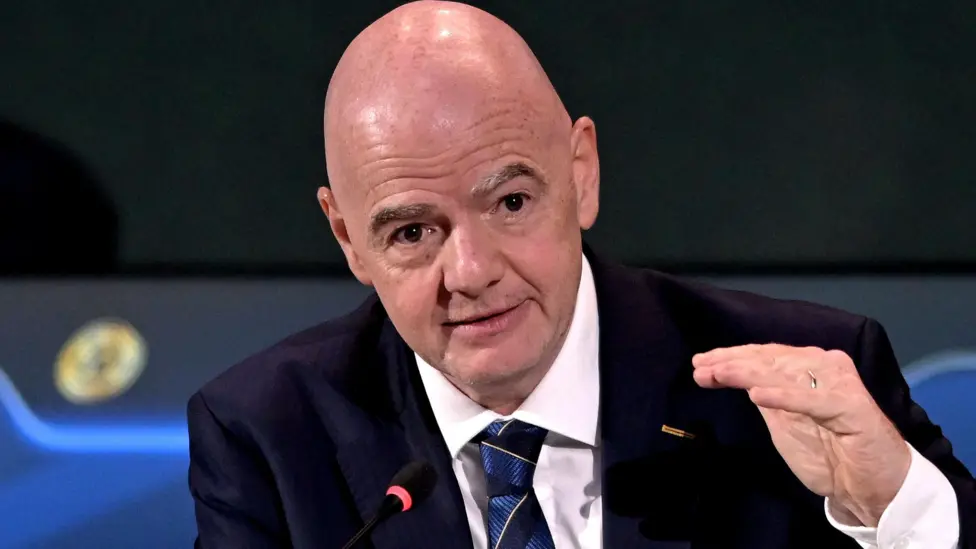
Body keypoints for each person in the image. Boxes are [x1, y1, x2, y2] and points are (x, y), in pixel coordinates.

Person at [186, 2, 975, 547]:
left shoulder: (796, 389)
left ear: (582, 173)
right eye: (413, 231)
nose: (471, 272)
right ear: (348, 238)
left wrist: (893, 505)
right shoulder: (268, 434)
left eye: (511, 202)